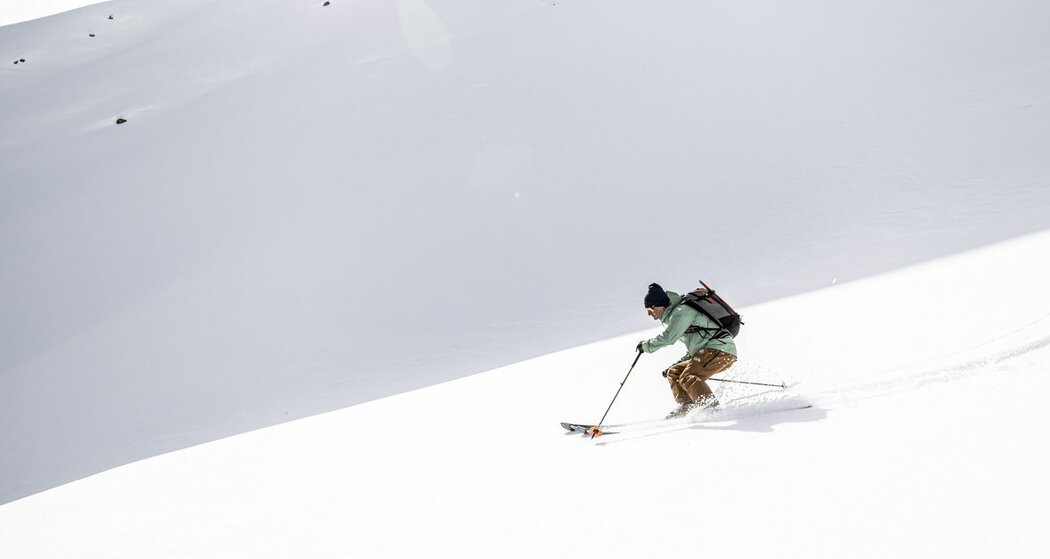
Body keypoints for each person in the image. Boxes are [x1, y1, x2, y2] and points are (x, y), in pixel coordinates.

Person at [637, 283, 737, 418]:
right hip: (710, 350)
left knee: (688, 377)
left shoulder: (681, 312)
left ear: (659, 305)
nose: (649, 313)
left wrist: (646, 346)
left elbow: (669, 338)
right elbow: (695, 349)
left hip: (720, 350)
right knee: (675, 372)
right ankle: (687, 407)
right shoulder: (677, 315)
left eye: (650, 308)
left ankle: (712, 410)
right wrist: (676, 364)